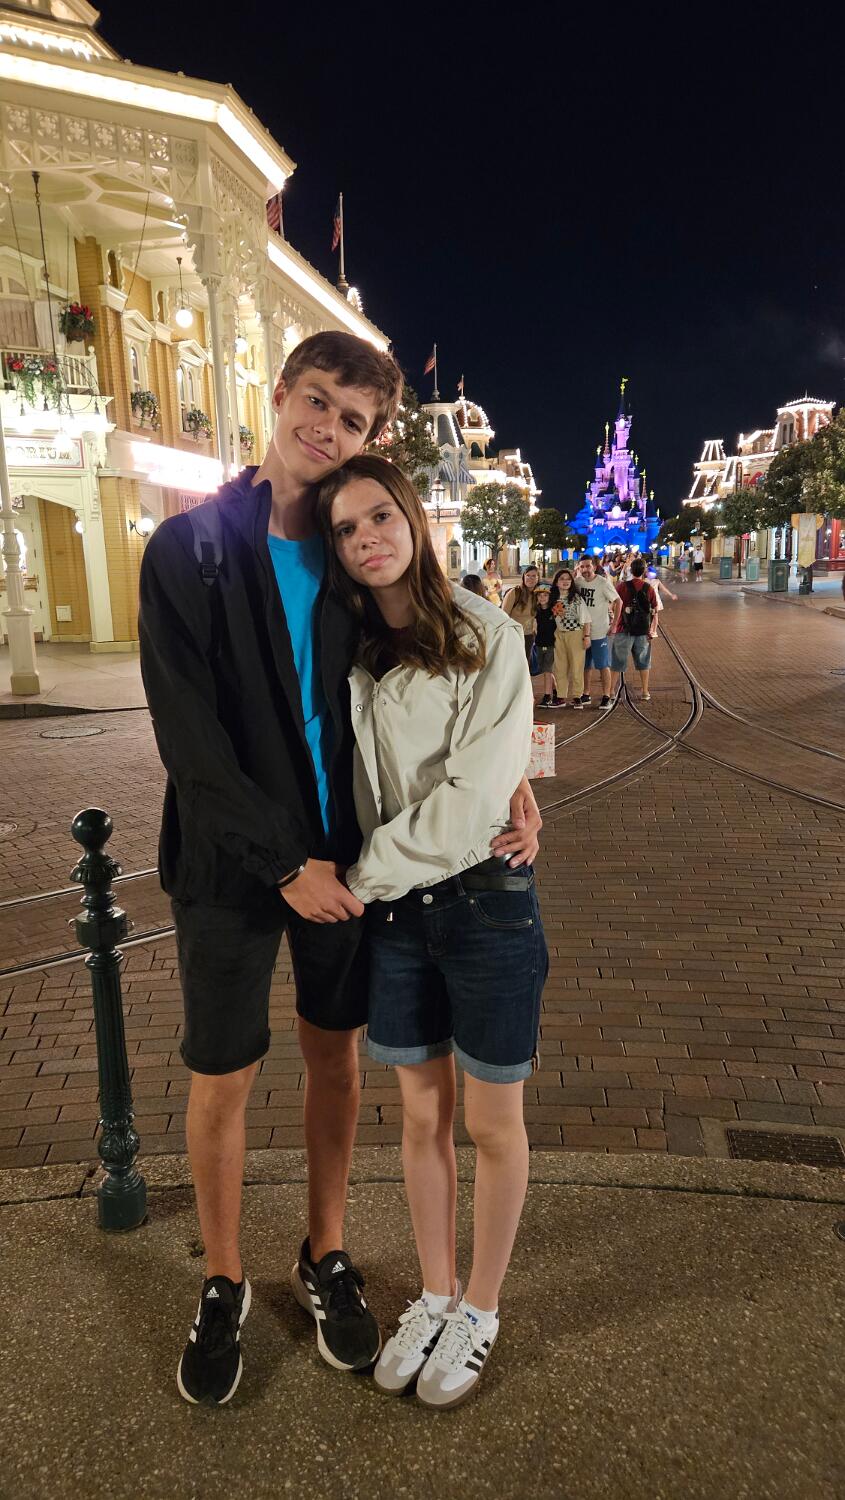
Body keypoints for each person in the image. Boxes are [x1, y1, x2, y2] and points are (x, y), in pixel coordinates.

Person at [138, 329, 542, 1407]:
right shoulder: (188, 548)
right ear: (279, 395)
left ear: (373, 439)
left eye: (352, 419)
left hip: (350, 859)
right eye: (315, 401)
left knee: (336, 1061)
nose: (326, 428)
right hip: (235, 865)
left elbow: (434, 675)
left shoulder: (351, 556)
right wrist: (282, 865)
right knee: (221, 1074)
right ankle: (224, 1278)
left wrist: (509, 777)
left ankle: (324, 1254)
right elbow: (188, 738)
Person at [317, 453, 548, 1409]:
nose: (366, 538)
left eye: (380, 515)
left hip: (480, 899)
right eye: (345, 528)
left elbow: (469, 797)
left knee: (491, 1122)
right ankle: (436, 1292)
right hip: (398, 917)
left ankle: (480, 1308)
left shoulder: (486, 632)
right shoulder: (348, 643)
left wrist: (357, 880)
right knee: (419, 1118)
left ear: (413, 518)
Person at [574, 555, 620, 708]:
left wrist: (614, 624)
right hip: (582, 632)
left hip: (599, 631)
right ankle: (586, 693)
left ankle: (606, 696)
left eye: (588, 566)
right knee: (585, 665)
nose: (585, 569)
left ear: (594, 566)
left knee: (602, 665)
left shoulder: (602, 583)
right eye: (582, 566)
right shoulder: (577, 582)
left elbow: (618, 601)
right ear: (579, 568)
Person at [611, 557, 658, 700]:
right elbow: (655, 610)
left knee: (617, 661)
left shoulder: (622, 586)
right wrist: (652, 629)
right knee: (643, 661)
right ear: (644, 571)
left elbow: (613, 605)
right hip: (642, 630)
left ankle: (611, 691)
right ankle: (645, 691)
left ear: (630, 570)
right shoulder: (649, 588)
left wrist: (614, 622)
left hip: (623, 628)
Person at [551, 568, 591, 707]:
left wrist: (586, 636)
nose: (565, 581)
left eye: (568, 579)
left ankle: (577, 696)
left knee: (577, 666)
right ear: (556, 582)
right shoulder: (552, 598)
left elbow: (586, 619)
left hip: (576, 634)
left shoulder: (576, 598)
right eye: (562, 579)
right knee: (559, 666)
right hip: (558, 634)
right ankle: (561, 696)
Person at [533, 583, 562, 707]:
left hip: (552, 644)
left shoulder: (554, 609)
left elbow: (562, 621)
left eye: (545, 595)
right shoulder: (536, 610)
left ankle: (547, 696)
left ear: (550, 597)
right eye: (540, 595)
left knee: (547, 670)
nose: (542, 598)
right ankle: (555, 691)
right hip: (539, 643)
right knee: (545, 670)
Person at [502, 566, 539, 664]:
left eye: (534, 576)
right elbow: (503, 615)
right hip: (513, 635)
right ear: (523, 577)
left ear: (538, 578)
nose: (530, 578)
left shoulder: (539, 594)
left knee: (525, 664)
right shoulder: (515, 592)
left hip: (529, 635)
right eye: (528, 575)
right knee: (512, 663)